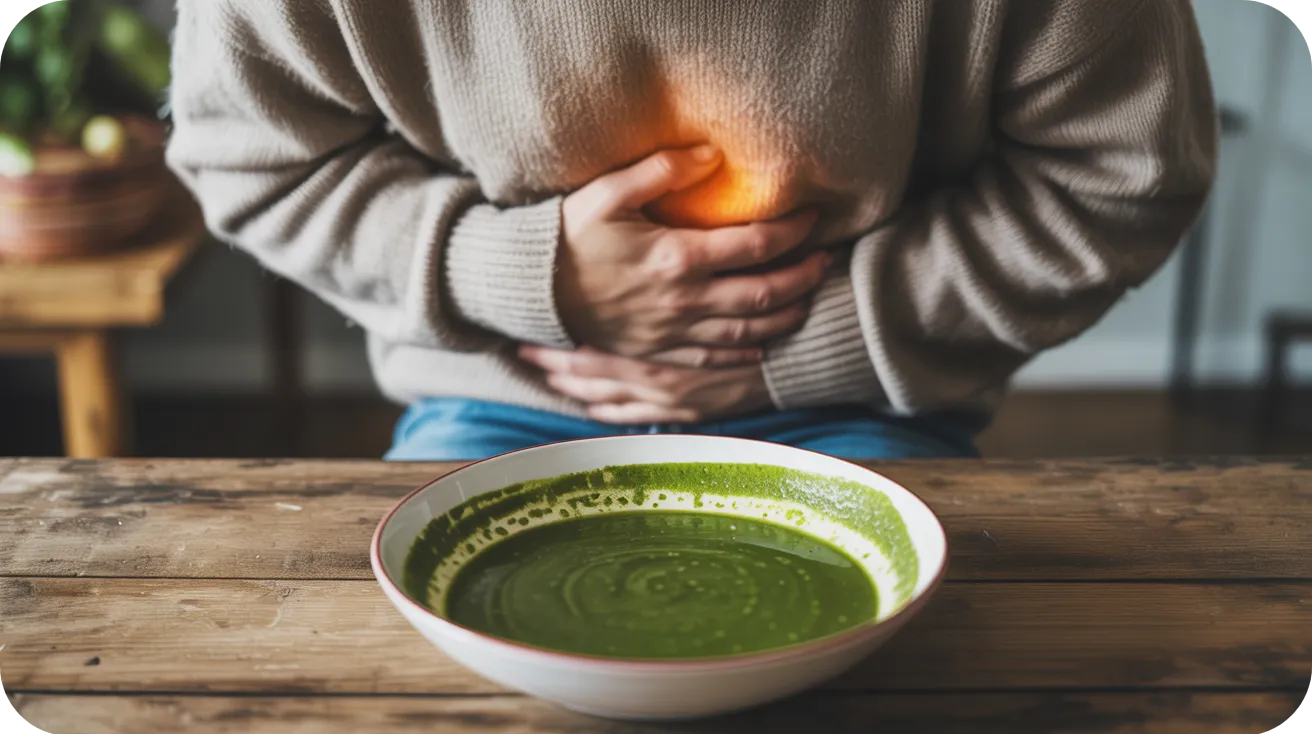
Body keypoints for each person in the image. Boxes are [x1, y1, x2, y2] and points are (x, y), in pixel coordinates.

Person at [166, 0, 1217, 461]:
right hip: (492, 407)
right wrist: (518, 275)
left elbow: (1126, 173)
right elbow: (246, 157)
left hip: (857, 407)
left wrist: (803, 346)